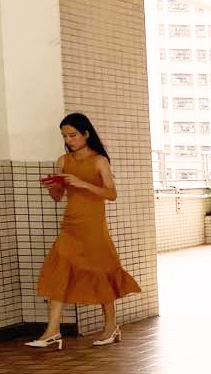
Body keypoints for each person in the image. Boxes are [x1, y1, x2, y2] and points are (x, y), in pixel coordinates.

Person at [25, 113, 141, 349]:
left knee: (101, 272)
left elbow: (111, 194)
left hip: (93, 228)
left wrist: (83, 183)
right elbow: (58, 197)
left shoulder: (99, 161)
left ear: (86, 134)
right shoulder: (63, 161)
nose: (68, 140)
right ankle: (52, 331)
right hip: (70, 226)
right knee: (58, 272)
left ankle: (111, 326)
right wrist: (53, 187)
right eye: (65, 136)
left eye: (73, 135)